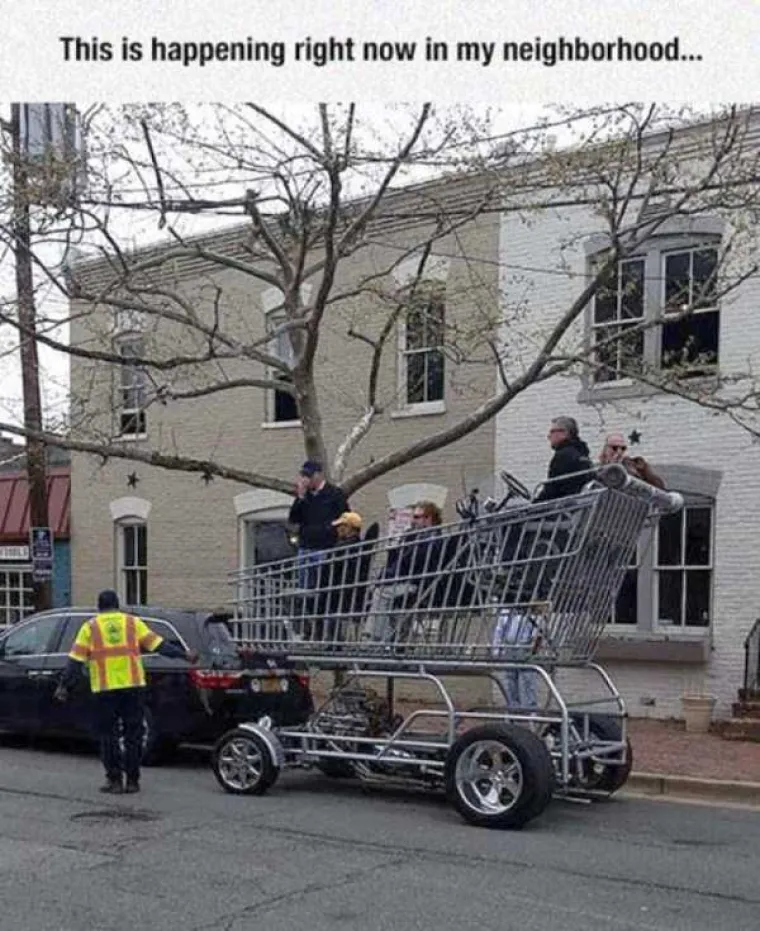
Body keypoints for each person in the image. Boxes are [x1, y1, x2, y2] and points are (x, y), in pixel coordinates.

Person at [54, 590, 197, 794]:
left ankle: (114, 780)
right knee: (133, 735)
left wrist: (64, 686)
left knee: (108, 736)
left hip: (105, 689)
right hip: (133, 687)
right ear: (117, 604)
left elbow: (75, 661)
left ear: (99, 606)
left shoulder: (90, 627)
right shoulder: (132, 623)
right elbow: (159, 645)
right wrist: (184, 655)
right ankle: (132, 780)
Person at [364, 501, 443, 643]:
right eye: (414, 517)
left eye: (418, 517)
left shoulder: (430, 539)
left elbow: (409, 564)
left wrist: (386, 575)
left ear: (429, 519)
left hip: (418, 585)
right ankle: (390, 638)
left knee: (381, 593)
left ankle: (374, 638)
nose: (414, 521)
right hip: (408, 582)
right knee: (384, 594)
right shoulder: (416, 537)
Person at [288, 460, 349, 588]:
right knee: (304, 586)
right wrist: (300, 499)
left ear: (319, 475)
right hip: (306, 547)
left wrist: (331, 532)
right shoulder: (305, 497)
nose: (306, 480)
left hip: (325, 548)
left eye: (309, 476)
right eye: (304, 476)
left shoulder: (334, 494)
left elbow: (345, 517)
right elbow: (293, 519)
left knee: (323, 584)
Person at [535, 416, 593, 501]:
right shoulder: (581, 454)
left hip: (561, 507)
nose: (548, 436)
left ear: (563, 433)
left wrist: (534, 504)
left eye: (552, 432)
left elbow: (551, 489)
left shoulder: (563, 456)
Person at [599, 432, 666, 489]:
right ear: (605, 449)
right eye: (614, 448)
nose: (619, 452)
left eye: (623, 448)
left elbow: (659, 486)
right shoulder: (599, 471)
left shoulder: (635, 465)